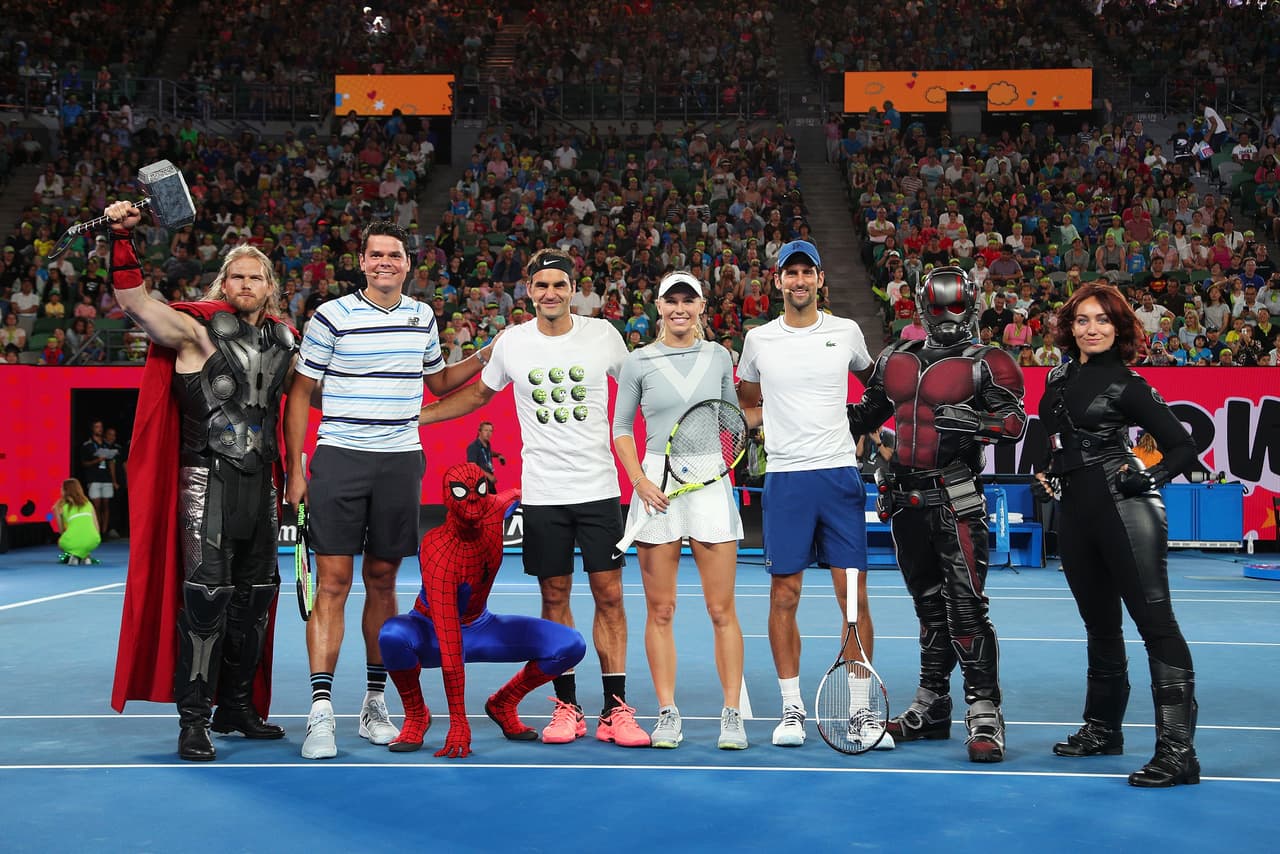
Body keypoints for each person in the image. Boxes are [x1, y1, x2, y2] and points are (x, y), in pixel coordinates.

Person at [418, 247, 648, 747]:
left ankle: (615, 710)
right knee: (554, 596)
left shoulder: (603, 336)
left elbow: (638, 388)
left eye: (559, 285)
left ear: (573, 290)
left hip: (599, 490)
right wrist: (419, 417)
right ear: (528, 290)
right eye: (541, 285)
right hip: (544, 493)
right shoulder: (512, 342)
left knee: (609, 596)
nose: (550, 293)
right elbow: (479, 394)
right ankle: (566, 706)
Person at [284, 221, 489, 761]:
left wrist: (491, 354)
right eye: (376, 255)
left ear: (407, 263)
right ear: (363, 261)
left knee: (382, 581)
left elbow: (440, 383)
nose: (385, 263)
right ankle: (321, 712)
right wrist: (296, 468)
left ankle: (375, 701)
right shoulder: (330, 316)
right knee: (332, 584)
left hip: (399, 462)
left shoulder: (423, 316)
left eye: (394, 255)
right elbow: (301, 392)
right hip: (340, 459)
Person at [106, 200, 295, 762]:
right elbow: (135, 303)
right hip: (205, 482)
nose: (245, 283)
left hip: (261, 485)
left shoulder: (286, 340)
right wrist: (121, 240)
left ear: (269, 286)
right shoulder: (195, 332)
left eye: (255, 276)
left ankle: (236, 706)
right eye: (236, 275)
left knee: (256, 598)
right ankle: (194, 720)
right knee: (207, 598)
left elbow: (306, 403)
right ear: (224, 282)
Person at [847, 266, 1026, 762]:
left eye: (955, 305)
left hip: (957, 496)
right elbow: (865, 415)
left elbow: (1014, 422)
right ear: (923, 307)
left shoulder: (988, 362)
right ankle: (932, 703)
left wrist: (974, 420)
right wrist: (800, 410)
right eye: (938, 305)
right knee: (928, 606)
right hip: (905, 499)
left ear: (970, 305)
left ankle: (984, 708)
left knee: (966, 606)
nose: (947, 315)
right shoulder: (895, 360)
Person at [1035, 282, 1203, 788]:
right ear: (1070, 327)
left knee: (1155, 622)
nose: (1092, 329)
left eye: (1102, 320)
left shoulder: (1130, 385)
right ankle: (1103, 729)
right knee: (1099, 624)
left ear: (1119, 328)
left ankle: (1179, 755)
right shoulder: (1060, 376)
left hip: (1126, 507)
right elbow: (1061, 439)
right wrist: (1050, 468)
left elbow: (1182, 447)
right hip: (1078, 511)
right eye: (1083, 320)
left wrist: (1148, 476)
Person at [736, 240, 893, 749]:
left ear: (820, 279)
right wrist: (754, 426)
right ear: (777, 281)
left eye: (807, 272)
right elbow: (746, 405)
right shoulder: (758, 341)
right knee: (785, 594)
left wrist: (856, 425)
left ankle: (861, 714)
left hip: (839, 477)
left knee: (854, 600)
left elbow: (879, 390)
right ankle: (792, 710)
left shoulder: (846, 332)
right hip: (786, 479)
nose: (799, 280)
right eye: (790, 273)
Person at [612, 271, 747, 750]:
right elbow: (621, 428)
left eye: (688, 300)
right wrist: (641, 481)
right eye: (672, 300)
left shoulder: (720, 357)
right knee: (661, 609)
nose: (680, 309)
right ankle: (667, 712)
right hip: (655, 484)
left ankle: (732, 714)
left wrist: (723, 464)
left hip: (710, 482)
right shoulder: (637, 362)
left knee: (720, 608)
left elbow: (731, 419)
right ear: (658, 306)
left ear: (701, 306)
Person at [378, 463, 586, 757]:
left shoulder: (493, 508)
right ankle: (416, 714)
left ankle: (503, 702)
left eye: (480, 490)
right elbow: (450, 643)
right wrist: (458, 721)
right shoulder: (436, 549)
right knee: (392, 636)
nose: (473, 500)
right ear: (447, 497)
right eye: (462, 492)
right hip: (432, 632)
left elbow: (518, 494)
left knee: (570, 645)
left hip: (481, 626)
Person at [79, 419, 117, 535]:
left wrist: (114, 481)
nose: (99, 429)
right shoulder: (88, 445)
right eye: (97, 427)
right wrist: (97, 460)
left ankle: (104, 531)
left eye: (100, 427)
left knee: (106, 505)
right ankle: (96, 530)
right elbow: (84, 463)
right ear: (92, 429)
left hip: (106, 478)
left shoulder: (106, 444)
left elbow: (111, 464)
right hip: (94, 478)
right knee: (96, 505)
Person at [51, 477, 101, 565]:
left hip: (71, 541)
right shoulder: (88, 504)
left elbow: (61, 530)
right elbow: (96, 527)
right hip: (93, 540)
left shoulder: (59, 506)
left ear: (65, 490)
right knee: (84, 542)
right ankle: (86, 556)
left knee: (61, 542)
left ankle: (74, 555)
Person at [465, 420, 505, 488]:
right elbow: (472, 466)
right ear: (479, 431)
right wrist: (488, 475)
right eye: (486, 430)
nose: (488, 433)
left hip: (489, 483)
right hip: (479, 484)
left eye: (490, 431)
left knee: (495, 498)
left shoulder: (487, 444)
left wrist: (498, 455)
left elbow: (488, 453)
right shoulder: (473, 447)